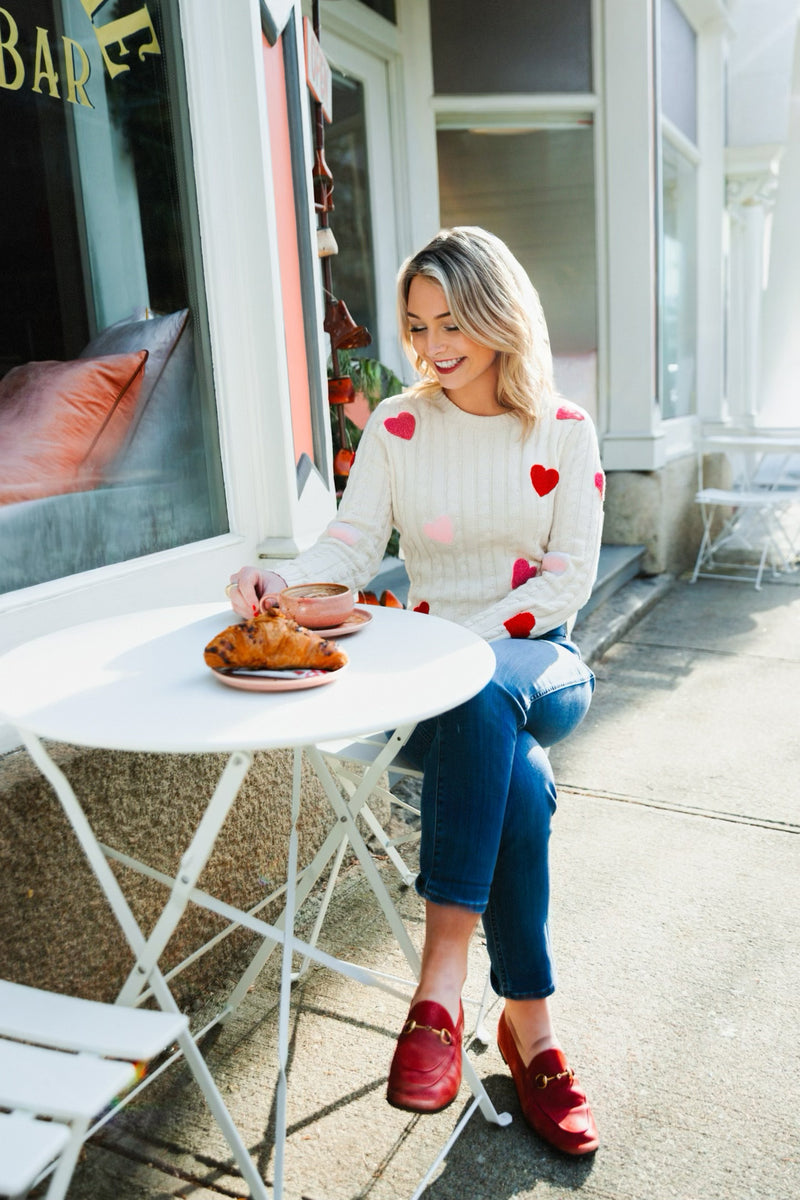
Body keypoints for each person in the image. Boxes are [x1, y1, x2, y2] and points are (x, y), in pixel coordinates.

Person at [227, 226, 604, 1156]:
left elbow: (564, 581)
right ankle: (534, 1029)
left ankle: (439, 987)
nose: (434, 345)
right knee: (517, 780)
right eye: (417, 323)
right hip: (444, 694)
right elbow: (349, 547)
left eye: (452, 321)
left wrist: (454, 650)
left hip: (537, 663)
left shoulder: (564, 428)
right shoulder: (398, 424)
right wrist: (285, 580)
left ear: (498, 316)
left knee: (489, 702)